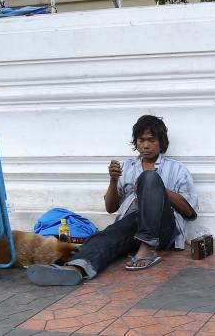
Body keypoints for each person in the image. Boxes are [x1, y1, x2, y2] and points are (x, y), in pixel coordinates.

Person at [27, 115, 199, 286]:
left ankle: (148, 247)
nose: (146, 145)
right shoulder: (126, 167)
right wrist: (113, 180)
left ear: (161, 142)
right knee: (103, 237)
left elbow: (190, 212)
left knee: (150, 178)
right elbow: (110, 208)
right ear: (136, 142)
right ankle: (75, 269)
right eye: (141, 140)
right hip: (133, 225)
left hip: (163, 229)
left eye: (151, 140)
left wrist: (159, 189)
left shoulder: (177, 169)